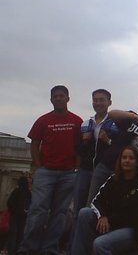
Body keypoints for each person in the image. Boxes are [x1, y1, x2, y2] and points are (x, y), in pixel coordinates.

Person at [17, 85, 83, 255]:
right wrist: (39, 166)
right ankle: (28, 248)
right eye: (55, 96)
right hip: (46, 172)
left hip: (68, 173)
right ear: (51, 99)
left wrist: (76, 167)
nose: (59, 98)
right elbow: (34, 144)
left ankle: (50, 249)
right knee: (37, 210)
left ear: (68, 98)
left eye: (62, 96)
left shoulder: (77, 121)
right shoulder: (43, 120)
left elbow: (80, 146)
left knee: (60, 213)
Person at [71, 146, 138, 255]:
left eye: (131, 158)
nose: (127, 161)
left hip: (133, 231)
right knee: (84, 213)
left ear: (137, 162)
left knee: (100, 244)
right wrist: (102, 216)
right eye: (124, 158)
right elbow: (96, 201)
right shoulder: (113, 179)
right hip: (113, 225)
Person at [86, 92, 138, 205]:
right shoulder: (132, 118)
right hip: (106, 166)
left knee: (113, 207)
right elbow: (111, 114)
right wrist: (133, 116)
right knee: (91, 204)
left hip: (126, 174)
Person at [70, 89, 117, 250]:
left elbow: (117, 148)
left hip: (103, 171)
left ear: (109, 102)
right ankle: (74, 249)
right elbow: (77, 149)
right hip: (85, 170)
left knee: (94, 210)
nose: (98, 103)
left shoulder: (115, 123)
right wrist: (84, 142)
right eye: (95, 100)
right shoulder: (85, 123)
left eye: (101, 100)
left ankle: (92, 247)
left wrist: (108, 140)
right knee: (78, 210)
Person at [6, 177, 31, 255]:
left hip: (14, 215)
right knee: (21, 234)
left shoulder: (16, 191)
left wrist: (13, 210)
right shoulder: (28, 192)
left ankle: (11, 252)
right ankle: (19, 251)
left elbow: (9, 202)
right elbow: (30, 204)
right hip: (23, 216)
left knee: (13, 233)